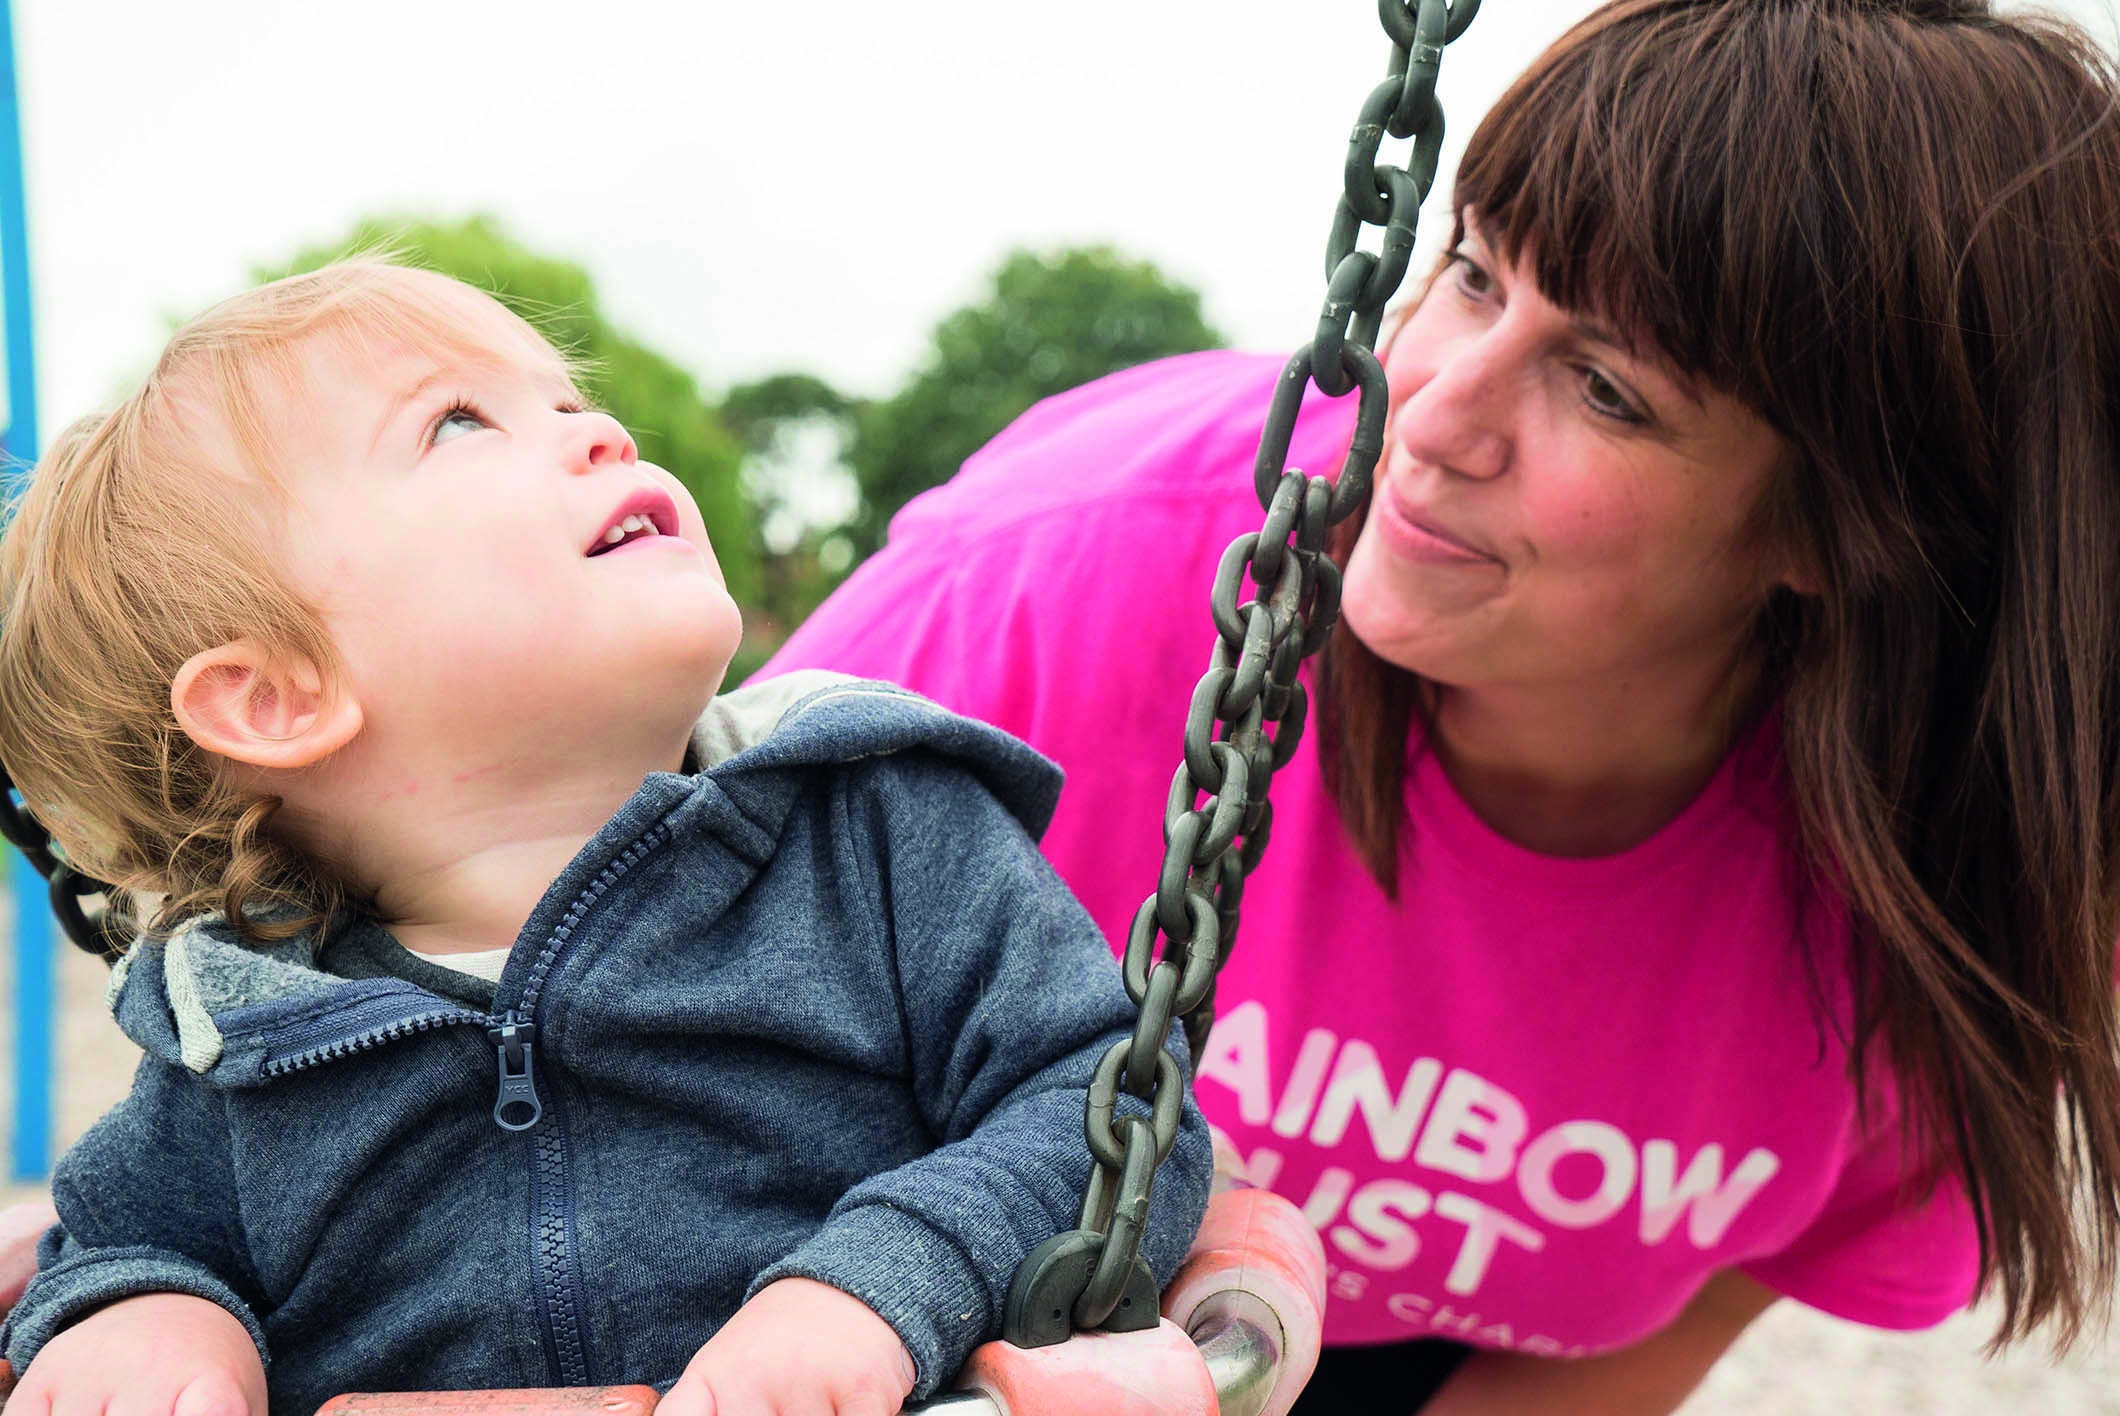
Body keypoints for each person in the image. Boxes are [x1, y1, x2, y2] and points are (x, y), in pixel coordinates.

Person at [763, 0, 2120, 1410]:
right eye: (1472, 275)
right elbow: (615, 1000)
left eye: (1604, 388)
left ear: (1847, 535)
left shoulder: (1963, 881)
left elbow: (1716, 1292)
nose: (1428, 415)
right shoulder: (1054, 584)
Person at [0, 260, 1212, 1416]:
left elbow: (1105, 1113)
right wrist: (150, 1314)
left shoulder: (875, 838)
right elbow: (116, 1243)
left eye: (569, 399)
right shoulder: (246, 1024)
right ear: (277, 699)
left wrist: (871, 1290)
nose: (602, 433)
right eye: (460, 424)